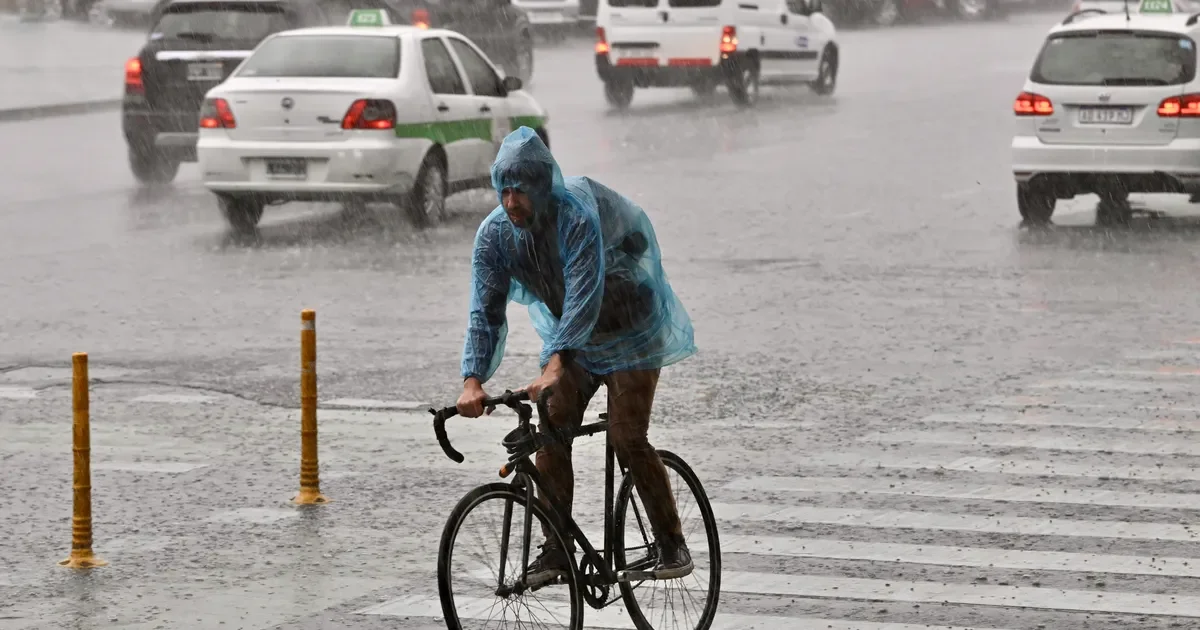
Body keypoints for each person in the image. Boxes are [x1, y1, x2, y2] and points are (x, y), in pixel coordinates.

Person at [455, 126, 698, 585]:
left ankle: (671, 541)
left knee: (627, 436)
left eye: (521, 192)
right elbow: (484, 313)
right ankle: (557, 547)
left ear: (543, 187)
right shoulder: (494, 237)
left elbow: (584, 296)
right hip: (578, 340)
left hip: (631, 328)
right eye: (504, 192)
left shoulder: (576, 217)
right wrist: (472, 380)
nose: (511, 203)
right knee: (550, 422)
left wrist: (555, 362)